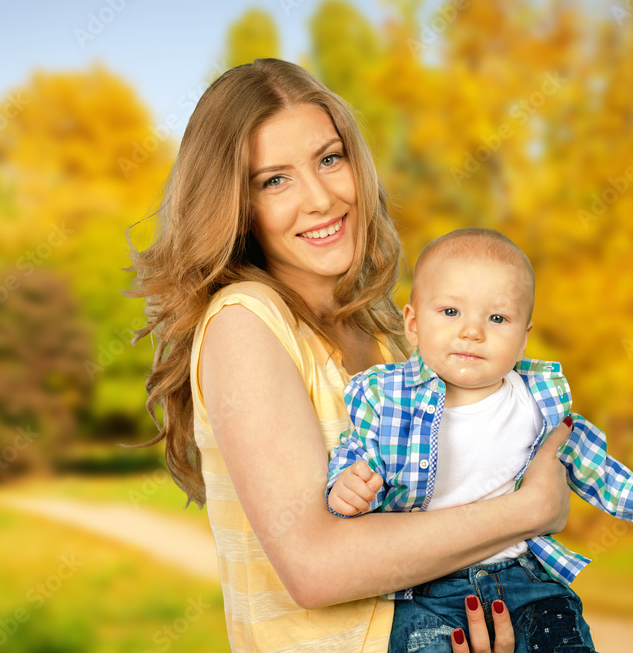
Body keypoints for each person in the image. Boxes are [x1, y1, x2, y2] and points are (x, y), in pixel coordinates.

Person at [126, 58, 575, 653]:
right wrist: (531, 509)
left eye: (329, 159)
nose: (320, 198)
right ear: (236, 206)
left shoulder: (387, 331)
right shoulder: (245, 321)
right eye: (274, 180)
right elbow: (316, 568)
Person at [326, 227, 633, 651]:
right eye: (451, 312)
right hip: (423, 590)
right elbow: (357, 454)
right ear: (414, 324)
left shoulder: (536, 400)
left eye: (497, 319)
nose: (472, 331)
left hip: (523, 578)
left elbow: (588, 459)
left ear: (523, 339)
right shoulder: (387, 396)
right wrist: (345, 486)